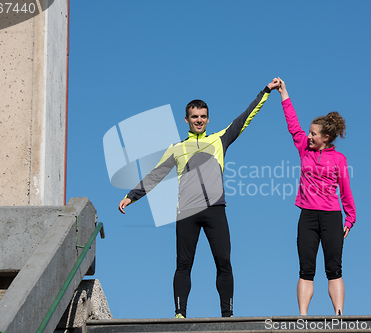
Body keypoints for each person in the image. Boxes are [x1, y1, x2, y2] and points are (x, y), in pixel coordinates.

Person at [118, 79, 280, 318]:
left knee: (224, 262)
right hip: (187, 212)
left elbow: (246, 116)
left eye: (203, 116)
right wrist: (132, 196)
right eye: (194, 117)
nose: (199, 120)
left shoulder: (219, 139)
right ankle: (179, 314)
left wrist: (265, 91)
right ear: (186, 119)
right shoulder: (177, 148)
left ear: (208, 118)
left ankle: (227, 314)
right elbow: (156, 175)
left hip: (216, 209)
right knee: (184, 265)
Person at [276, 78, 356, 315]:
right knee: (305, 270)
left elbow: (346, 192)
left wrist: (350, 219)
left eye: (313, 134)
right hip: (308, 217)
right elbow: (292, 123)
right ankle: (302, 316)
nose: (308, 136)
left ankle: (339, 315)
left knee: (334, 269)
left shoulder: (338, 159)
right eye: (309, 133)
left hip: (332, 217)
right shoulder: (304, 148)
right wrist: (284, 92)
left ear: (326, 138)